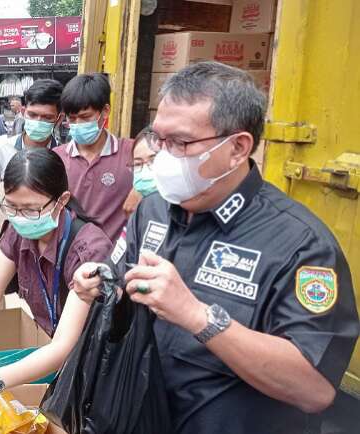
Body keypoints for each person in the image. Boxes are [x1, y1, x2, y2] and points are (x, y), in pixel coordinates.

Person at [72, 62, 360, 434]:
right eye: (160, 139)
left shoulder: (300, 245)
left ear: (238, 147)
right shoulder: (153, 210)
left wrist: (198, 316)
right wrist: (100, 283)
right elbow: (126, 288)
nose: (163, 155)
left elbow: (314, 390)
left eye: (181, 143)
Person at [0, 148, 113, 428]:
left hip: (92, 367)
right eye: (11, 207)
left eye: (31, 209)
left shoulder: (88, 249)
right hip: (52, 356)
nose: (20, 217)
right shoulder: (19, 233)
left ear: (62, 201)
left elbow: (64, 347)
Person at [54, 73, 134, 243]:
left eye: (85, 117)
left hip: (113, 262)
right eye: (72, 119)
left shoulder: (131, 152)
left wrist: (141, 189)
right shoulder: (56, 159)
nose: (77, 124)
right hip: (71, 260)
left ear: (105, 111)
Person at [0, 79, 63, 187]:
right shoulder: (0, 152)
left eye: (47, 117)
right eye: (32, 115)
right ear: (23, 112)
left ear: (58, 119)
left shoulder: (64, 158)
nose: (38, 121)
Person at [123, 127, 159, 215]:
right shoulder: (136, 212)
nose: (145, 172)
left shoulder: (186, 209)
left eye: (153, 161)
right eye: (138, 164)